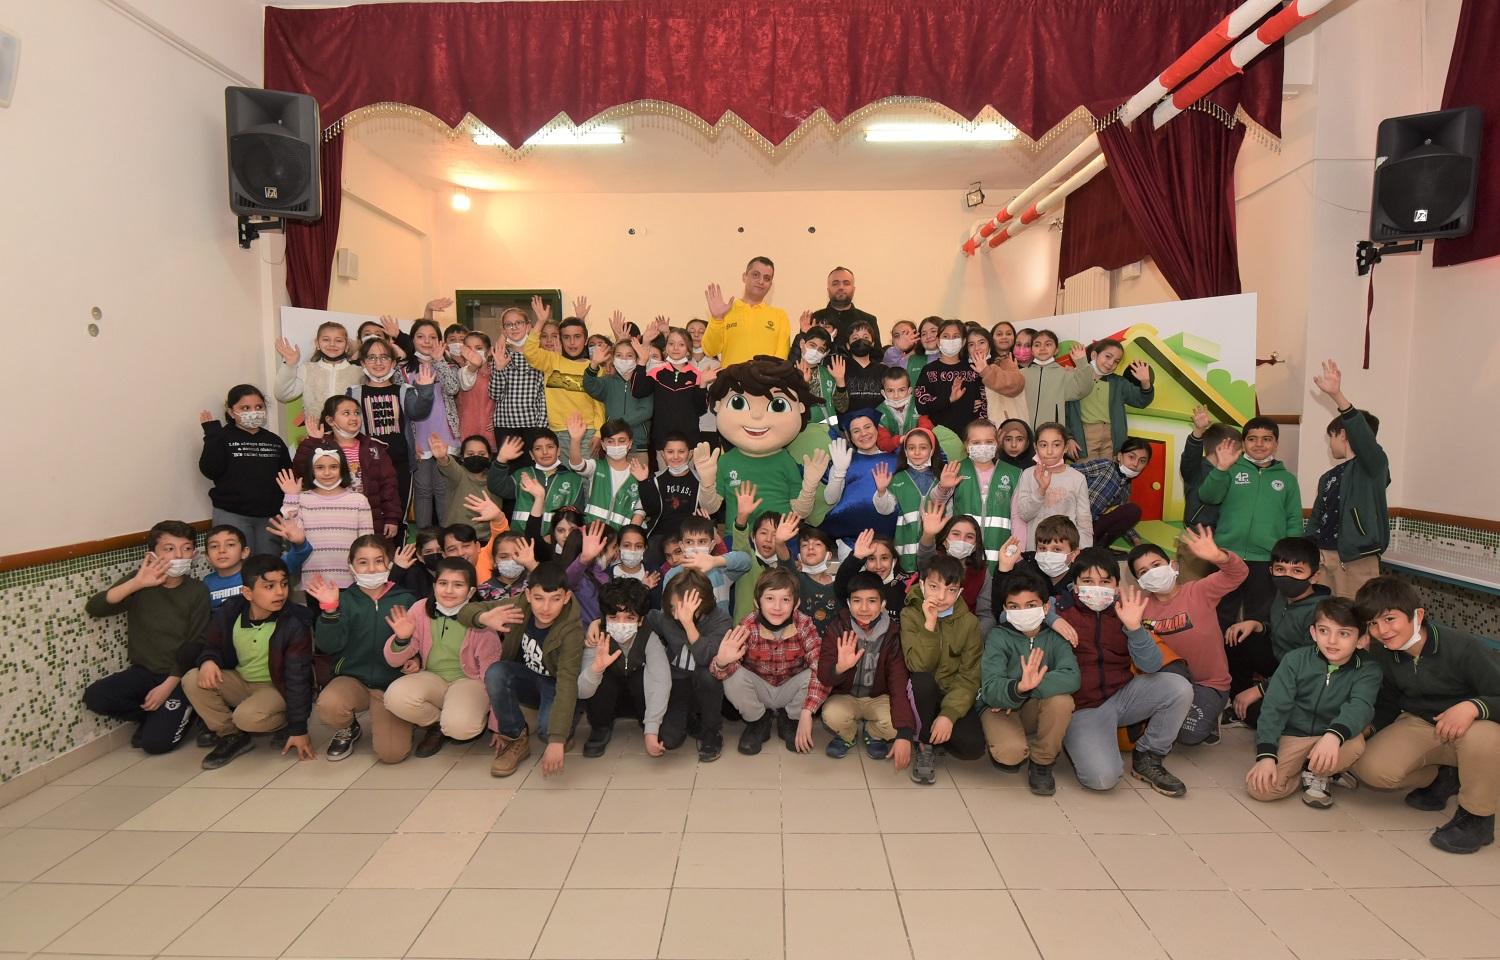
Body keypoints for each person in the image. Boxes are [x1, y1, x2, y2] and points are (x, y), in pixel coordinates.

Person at [1351, 576, 1500, 854]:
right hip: (1421, 722)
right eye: (1372, 623)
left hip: (1473, 728)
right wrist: (1365, 731)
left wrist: (1472, 707)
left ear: (1417, 615)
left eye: (1390, 619)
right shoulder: (1384, 652)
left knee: (1485, 737)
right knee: (1371, 768)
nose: (1382, 631)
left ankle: (1477, 818)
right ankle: (1444, 777)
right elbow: (1388, 703)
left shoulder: (1462, 647)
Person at [1059, 548, 1192, 796]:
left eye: (1105, 582)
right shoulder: (1060, 610)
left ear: (1116, 585)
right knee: (1102, 779)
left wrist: (1134, 628)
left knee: (1178, 687)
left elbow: (1151, 665)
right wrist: (1051, 619)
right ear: (1075, 585)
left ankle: (1148, 756)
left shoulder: (1125, 611)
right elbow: (1011, 614)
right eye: (1087, 581)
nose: (1097, 588)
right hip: (1083, 708)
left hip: (1123, 696)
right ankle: (1089, 740)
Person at [83, 520, 209, 754]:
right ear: (152, 555)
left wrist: (167, 686)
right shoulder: (139, 581)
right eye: (169, 549)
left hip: (179, 676)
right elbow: (95, 607)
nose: (178, 555)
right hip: (144, 672)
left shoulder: (197, 591)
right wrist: (136, 583)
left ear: (194, 554)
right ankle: (153, 717)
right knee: (96, 696)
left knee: (154, 744)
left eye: (186, 548)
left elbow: (196, 644)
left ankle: (183, 711)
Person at [182, 554, 317, 769]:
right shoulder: (231, 611)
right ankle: (231, 736)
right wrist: (208, 660)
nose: (280, 592)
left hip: (277, 687)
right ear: (248, 593)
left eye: (283, 584)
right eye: (269, 586)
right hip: (242, 680)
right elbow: (210, 643)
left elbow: (297, 677)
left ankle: (284, 721)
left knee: (246, 718)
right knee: (193, 678)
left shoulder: (294, 622)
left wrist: (298, 728)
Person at [1246, 597, 1380, 808]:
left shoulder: (1369, 669)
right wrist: (1266, 756)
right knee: (1260, 790)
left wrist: (1333, 736)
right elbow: (1274, 707)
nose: (1332, 641)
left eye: (1344, 633)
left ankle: (1319, 773)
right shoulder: (1295, 660)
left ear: (1362, 640)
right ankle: (1307, 772)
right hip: (1293, 734)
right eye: (1324, 631)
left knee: (1355, 744)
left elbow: (1360, 706)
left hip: (1333, 736)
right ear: (1313, 632)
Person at [463, 560, 586, 778]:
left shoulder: (572, 630)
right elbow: (466, 610)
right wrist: (483, 617)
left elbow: (567, 683)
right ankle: (515, 738)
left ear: (566, 597)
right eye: (539, 598)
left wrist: (557, 740)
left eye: (555, 599)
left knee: (548, 732)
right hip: (527, 677)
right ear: (528, 595)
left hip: (555, 684)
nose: (546, 607)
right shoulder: (519, 607)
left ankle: (564, 726)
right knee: (496, 672)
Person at [1130, 525, 1248, 746]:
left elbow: (1238, 573)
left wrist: (1219, 557)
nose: (1152, 573)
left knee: (1187, 735)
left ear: (1173, 566)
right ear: (1140, 582)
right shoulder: (1139, 607)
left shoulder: (1199, 591)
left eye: (1156, 565)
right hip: (1169, 682)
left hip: (1209, 683)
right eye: (1143, 572)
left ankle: (1210, 712)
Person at [306, 535, 419, 762]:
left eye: (378, 561)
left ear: (389, 564)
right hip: (353, 679)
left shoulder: (406, 599)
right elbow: (328, 645)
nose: (372, 568)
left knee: (392, 754)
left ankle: (402, 718)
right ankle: (348, 727)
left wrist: (417, 660)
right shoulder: (343, 600)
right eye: (363, 562)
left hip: (392, 684)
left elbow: (421, 640)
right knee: (329, 704)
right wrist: (330, 611)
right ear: (351, 566)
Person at [382, 557, 502, 758]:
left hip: (470, 681)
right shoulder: (420, 609)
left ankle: (461, 716)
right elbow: (393, 660)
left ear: (470, 591)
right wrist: (402, 639)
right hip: (432, 677)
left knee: (461, 728)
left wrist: (498, 725)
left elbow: (493, 676)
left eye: (458, 585)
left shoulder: (482, 619)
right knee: (394, 697)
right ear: (434, 585)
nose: (448, 590)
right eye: (443, 583)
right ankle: (437, 724)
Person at [693, 357, 830, 530]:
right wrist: (706, 483)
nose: (757, 416)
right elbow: (711, 508)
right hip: (737, 538)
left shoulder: (785, 460)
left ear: (800, 408)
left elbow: (800, 512)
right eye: (738, 402)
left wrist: (809, 486)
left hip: (780, 537)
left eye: (778, 405)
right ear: (718, 406)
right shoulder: (726, 461)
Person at [1198, 416, 1303, 635]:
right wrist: (1221, 468)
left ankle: (1254, 656)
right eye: (1252, 438)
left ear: (1276, 443)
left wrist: (1290, 556)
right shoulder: (1230, 470)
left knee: (1260, 618)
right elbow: (1208, 496)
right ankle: (1220, 656)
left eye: (1267, 439)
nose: (1259, 444)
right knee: (1219, 615)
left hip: (1266, 559)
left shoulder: (1287, 480)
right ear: (1244, 443)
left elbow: (1293, 519)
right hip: (1226, 556)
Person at [982, 570, 1080, 795]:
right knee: (1010, 754)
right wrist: (1017, 688)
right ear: (1005, 609)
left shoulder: (1056, 637)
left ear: (1046, 608)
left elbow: (1072, 677)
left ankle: (1042, 762)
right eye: (1014, 606)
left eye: (1030, 605)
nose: (1022, 612)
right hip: (1000, 708)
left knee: (1062, 701)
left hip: (1029, 705)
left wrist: (1028, 688)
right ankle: (1012, 739)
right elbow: (990, 688)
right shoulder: (998, 636)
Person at [713, 567, 826, 755]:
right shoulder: (748, 625)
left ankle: (791, 718)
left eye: (785, 600)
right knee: (731, 675)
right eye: (770, 598)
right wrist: (721, 662)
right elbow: (718, 671)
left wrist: (807, 711)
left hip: (789, 689)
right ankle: (758, 720)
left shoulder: (804, 624)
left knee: (818, 671)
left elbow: (820, 665)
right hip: (761, 690)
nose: (777, 607)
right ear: (757, 602)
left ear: (796, 604)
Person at [1307, 359, 1390, 599]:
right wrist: (1309, 547)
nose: (1329, 445)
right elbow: (1317, 517)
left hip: (1357, 559)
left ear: (1342, 434)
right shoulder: (1329, 477)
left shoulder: (1373, 467)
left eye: (1330, 437)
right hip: (1325, 558)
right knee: (1324, 613)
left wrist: (1338, 397)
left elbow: (1364, 439)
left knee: (1356, 615)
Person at [900, 555, 986, 783]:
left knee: (973, 747)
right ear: (922, 585)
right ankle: (924, 744)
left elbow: (970, 676)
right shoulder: (910, 614)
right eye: (934, 587)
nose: (941, 597)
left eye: (950, 590)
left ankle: (936, 731)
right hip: (920, 693)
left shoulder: (969, 623)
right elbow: (917, 665)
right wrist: (929, 625)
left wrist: (949, 714)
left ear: (959, 592)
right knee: (923, 680)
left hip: (951, 693)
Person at [1225, 536, 1329, 723]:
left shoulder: (1322, 613)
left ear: (1314, 576)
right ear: (1271, 570)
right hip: (1278, 661)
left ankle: (1251, 701)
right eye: (1280, 569)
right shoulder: (1282, 595)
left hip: (1303, 676)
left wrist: (1261, 689)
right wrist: (1258, 626)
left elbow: (1312, 665)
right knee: (1236, 637)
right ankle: (1239, 698)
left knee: (1257, 713)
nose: (1287, 576)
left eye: (1297, 571)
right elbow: (1279, 626)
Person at [819, 571, 914, 768]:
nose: (863, 608)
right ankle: (848, 735)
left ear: (883, 604)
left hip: (878, 697)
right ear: (848, 603)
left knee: (896, 726)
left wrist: (904, 733)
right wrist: (840, 668)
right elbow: (824, 676)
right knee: (831, 714)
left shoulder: (893, 634)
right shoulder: (837, 628)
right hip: (846, 696)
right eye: (857, 601)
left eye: (871, 601)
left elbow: (898, 683)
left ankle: (873, 733)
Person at [349, 337, 435, 538]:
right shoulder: (354, 392)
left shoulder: (404, 390)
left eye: (384, 357)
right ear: (363, 363)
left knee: (397, 519)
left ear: (393, 362)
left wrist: (425, 391)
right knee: (367, 516)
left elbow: (419, 413)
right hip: (366, 466)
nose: (378, 362)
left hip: (401, 464)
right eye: (371, 358)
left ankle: (397, 555)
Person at [643, 570, 732, 761]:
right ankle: (689, 718)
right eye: (672, 607)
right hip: (678, 680)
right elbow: (642, 617)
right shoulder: (667, 617)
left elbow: (705, 657)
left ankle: (712, 732)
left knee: (707, 675)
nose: (677, 615)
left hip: (707, 681)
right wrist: (598, 622)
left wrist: (689, 624)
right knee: (669, 739)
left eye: (683, 609)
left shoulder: (721, 619)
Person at [198, 384, 293, 558]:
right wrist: (212, 436)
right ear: (231, 411)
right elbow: (210, 470)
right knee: (237, 565)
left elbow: (288, 476)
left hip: (269, 516)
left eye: (259, 407)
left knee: (268, 565)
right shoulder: (222, 436)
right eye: (245, 408)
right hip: (232, 513)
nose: (254, 412)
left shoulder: (274, 441)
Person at [296, 396, 403, 544]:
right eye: (346, 413)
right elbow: (300, 472)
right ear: (330, 420)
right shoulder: (320, 445)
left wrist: (391, 518)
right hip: (333, 518)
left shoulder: (374, 447)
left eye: (356, 413)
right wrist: (313, 442)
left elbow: (388, 484)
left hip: (370, 519)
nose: (353, 417)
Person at [401, 318, 468, 528]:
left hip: (446, 436)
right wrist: (410, 442)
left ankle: (447, 537)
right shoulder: (402, 370)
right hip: (419, 439)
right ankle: (424, 539)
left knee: (443, 489)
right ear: (412, 340)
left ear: (440, 341)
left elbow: (452, 389)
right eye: (421, 336)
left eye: (432, 337)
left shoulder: (449, 365)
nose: (426, 341)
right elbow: (402, 410)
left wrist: (439, 361)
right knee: (422, 491)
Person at [275, 451, 373, 594]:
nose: (327, 473)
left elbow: (367, 542)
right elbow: (293, 532)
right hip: (314, 582)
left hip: (352, 579)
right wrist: (291, 496)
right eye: (320, 467)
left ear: (342, 469)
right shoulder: (302, 499)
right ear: (312, 470)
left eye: (333, 467)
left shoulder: (359, 500)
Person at [576, 579, 653, 757]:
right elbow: (581, 692)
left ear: (640, 619)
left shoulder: (651, 629)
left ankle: (645, 721)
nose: (621, 623)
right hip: (607, 701)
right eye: (613, 617)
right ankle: (600, 728)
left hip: (638, 700)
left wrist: (652, 727)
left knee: (643, 676)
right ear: (605, 617)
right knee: (602, 677)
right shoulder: (597, 636)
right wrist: (596, 669)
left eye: (629, 617)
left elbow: (661, 679)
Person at [930, 419, 1021, 564]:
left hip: (1001, 554)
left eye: (989, 442)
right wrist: (943, 487)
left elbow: (1018, 517)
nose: (983, 446)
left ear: (997, 443)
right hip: (963, 554)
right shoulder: (956, 470)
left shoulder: (1013, 474)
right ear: (966, 445)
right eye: (976, 442)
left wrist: (1016, 548)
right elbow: (936, 504)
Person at [523, 296, 604, 453]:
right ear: (560, 340)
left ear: (585, 340)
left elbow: (599, 405)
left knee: (585, 470)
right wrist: (540, 322)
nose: (572, 342)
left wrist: (599, 432)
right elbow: (530, 352)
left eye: (577, 337)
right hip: (556, 433)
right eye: (566, 337)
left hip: (587, 432)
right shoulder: (551, 360)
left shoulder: (595, 368)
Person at [1065, 339, 1155, 459]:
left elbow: (1142, 401)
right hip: (1084, 436)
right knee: (1087, 468)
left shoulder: (1119, 383)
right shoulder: (1075, 378)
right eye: (1108, 356)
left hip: (1111, 437)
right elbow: (1063, 411)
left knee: (1109, 469)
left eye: (1116, 361)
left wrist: (1145, 382)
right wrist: (1068, 438)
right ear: (1094, 355)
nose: (1111, 363)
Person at [273, 321, 364, 436]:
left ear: (346, 346)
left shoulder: (358, 372)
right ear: (317, 343)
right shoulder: (307, 369)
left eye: (338, 340)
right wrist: (290, 365)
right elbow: (283, 395)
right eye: (326, 339)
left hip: (352, 437)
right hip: (317, 436)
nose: (332, 344)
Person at [1014, 422, 1093, 550]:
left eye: (1056, 445)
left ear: (1065, 447)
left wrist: (1082, 551)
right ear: (1035, 447)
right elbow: (1024, 514)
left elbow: (1084, 521)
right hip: (1037, 550)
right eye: (1043, 445)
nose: (1049, 451)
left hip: (1066, 552)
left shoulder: (1077, 478)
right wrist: (1041, 490)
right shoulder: (1028, 475)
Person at [822, 418, 898, 546]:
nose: (863, 434)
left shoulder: (896, 459)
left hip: (890, 541)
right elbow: (830, 499)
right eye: (856, 431)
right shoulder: (844, 459)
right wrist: (839, 471)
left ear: (877, 429)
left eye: (867, 427)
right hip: (850, 543)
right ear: (850, 437)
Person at [875, 426, 942, 570]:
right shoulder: (897, 479)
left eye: (923, 447)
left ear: (932, 450)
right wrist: (881, 491)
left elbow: (948, 512)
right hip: (905, 549)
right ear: (905, 451)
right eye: (911, 448)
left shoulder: (941, 479)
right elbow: (885, 510)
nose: (917, 452)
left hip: (934, 548)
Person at [203, 520, 311, 610]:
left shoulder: (258, 572)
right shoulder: (206, 584)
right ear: (207, 557)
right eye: (214, 546)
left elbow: (291, 560)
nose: (222, 550)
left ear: (244, 552)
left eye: (230, 545)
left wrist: (300, 543)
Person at [702, 257, 791, 364]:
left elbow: (780, 361)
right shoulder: (725, 311)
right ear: (744, 277)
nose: (761, 281)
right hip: (731, 375)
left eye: (767, 278)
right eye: (755, 275)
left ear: (770, 285)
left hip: (766, 375)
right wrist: (717, 319)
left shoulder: (780, 316)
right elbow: (710, 350)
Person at [487, 429, 583, 529]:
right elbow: (495, 487)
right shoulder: (522, 474)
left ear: (558, 451)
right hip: (521, 537)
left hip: (556, 538)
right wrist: (501, 459)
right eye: (538, 448)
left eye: (550, 447)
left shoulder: (574, 480)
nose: (545, 452)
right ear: (532, 455)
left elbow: (577, 518)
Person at [488, 305, 548, 461]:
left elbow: (543, 395)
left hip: (533, 425)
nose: (514, 327)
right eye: (509, 324)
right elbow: (495, 395)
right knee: (509, 469)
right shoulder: (500, 354)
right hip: (505, 425)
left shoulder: (539, 354)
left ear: (528, 326)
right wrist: (499, 368)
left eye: (518, 323)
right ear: (503, 330)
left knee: (533, 467)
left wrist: (541, 427)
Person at [585, 325, 655, 453]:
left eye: (629, 355)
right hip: (612, 443)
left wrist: (617, 424)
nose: (624, 359)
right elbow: (590, 385)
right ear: (613, 358)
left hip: (638, 445)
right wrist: (594, 363)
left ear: (637, 359)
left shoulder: (645, 382)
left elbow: (646, 411)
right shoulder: (608, 382)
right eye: (619, 355)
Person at [664, 515, 751, 615]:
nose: (695, 548)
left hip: (720, 625)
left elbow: (746, 561)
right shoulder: (671, 575)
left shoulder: (720, 571)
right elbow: (666, 613)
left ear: (712, 545)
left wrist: (715, 561)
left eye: (702, 541)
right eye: (689, 542)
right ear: (682, 546)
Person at [569, 416, 646, 528]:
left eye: (621, 441)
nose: (616, 445)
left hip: (621, 536)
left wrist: (628, 536)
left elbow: (640, 512)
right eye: (610, 441)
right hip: (592, 532)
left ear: (629, 444)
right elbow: (577, 464)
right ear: (603, 445)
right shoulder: (596, 467)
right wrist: (575, 440)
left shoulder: (638, 474)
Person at [1074, 439, 1152, 548]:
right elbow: (1071, 470)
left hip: (1093, 527)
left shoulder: (1127, 487)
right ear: (1120, 456)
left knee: (1133, 511)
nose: (1135, 464)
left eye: (1142, 461)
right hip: (1073, 522)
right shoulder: (1105, 466)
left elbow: (1121, 518)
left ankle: (1100, 547)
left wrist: (1136, 539)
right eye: (1131, 457)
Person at [913, 318, 985, 437]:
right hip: (940, 437)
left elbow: (982, 404)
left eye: (956, 336)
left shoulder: (973, 369)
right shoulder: (929, 370)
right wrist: (949, 399)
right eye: (946, 336)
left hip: (971, 436)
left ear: (963, 341)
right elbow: (922, 406)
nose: (950, 340)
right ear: (938, 341)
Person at [642, 326, 707, 451]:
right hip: (661, 441)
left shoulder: (697, 375)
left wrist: (703, 384)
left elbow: (700, 409)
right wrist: (641, 361)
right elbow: (638, 392)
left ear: (688, 350)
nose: (675, 348)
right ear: (666, 348)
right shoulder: (655, 372)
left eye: (681, 344)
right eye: (671, 344)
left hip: (689, 442)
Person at [431, 433, 499, 540]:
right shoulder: (459, 474)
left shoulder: (496, 478)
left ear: (490, 457)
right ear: (462, 457)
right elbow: (449, 467)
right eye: (470, 454)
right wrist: (442, 458)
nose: (476, 457)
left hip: (486, 539)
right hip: (455, 538)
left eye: (482, 454)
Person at [835, 529, 911, 622]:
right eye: (871, 559)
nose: (878, 566)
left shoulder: (908, 586)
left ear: (894, 559)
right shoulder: (859, 583)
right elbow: (840, 588)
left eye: (884, 558)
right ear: (865, 562)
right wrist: (856, 557)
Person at [1021, 331, 1093, 429]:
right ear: (1032, 350)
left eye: (1048, 344)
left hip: (1053, 432)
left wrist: (1082, 362)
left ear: (1056, 350)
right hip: (1024, 431)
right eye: (1037, 345)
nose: (1042, 348)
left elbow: (1083, 389)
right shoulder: (1021, 374)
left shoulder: (1064, 373)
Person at [968, 326, 1028, 427]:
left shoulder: (1004, 362)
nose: (977, 348)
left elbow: (1016, 385)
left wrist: (986, 371)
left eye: (981, 342)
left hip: (1003, 426)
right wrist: (966, 404)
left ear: (990, 345)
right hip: (974, 427)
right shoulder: (964, 369)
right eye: (971, 344)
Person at [810, 265, 878, 348]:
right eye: (835, 284)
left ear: (853, 289)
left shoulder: (869, 320)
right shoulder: (815, 319)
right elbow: (803, 351)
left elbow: (877, 354)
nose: (841, 287)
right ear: (828, 289)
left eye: (846, 283)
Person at [834, 319, 887, 413]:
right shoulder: (839, 367)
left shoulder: (884, 370)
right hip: (848, 420)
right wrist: (839, 380)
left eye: (866, 337)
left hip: (878, 420)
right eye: (855, 338)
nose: (861, 340)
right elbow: (840, 408)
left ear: (873, 343)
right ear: (848, 345)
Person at [455, 329, 497, 449]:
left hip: (491, 434)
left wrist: (498, 419)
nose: (473, 352)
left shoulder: (496, 372)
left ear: (489, 351)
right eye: (469, 348)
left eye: (478, 348)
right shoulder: (463, 372)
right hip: (467, 433)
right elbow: (466, 382)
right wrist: (473, 366)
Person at [875, 367, 920, 438]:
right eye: (890, 391)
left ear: (909, 391)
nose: (896, 396)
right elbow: (883, 441)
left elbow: (926, 429)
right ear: (883, 393)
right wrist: (900, 440)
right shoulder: (878, 413)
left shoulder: (919, 406)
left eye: (901, 390)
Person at [905, 316, 942, 383]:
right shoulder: (912, 360)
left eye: (933, 331)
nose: (928, 336)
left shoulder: (954, 358)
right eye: (924, 334)